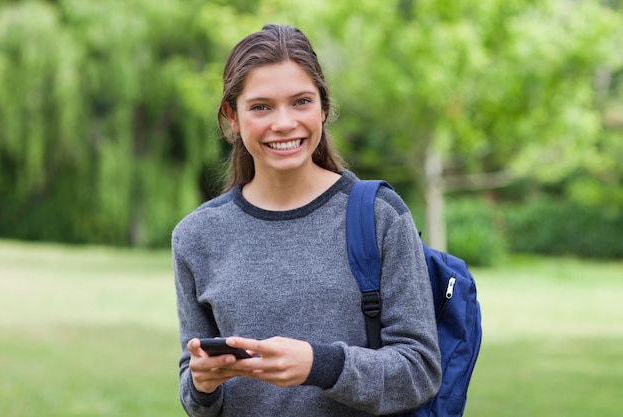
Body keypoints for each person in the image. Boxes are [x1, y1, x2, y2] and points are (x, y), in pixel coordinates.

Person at [172, 23, 441, 417]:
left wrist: (322, 365)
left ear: (323, 107)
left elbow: (420, 371)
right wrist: (201, 384)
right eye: (261, 106)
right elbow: (194, 395)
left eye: (300, 101)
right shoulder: (196, 236)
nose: (283, 123)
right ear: (232, 116)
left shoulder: (379, 214)